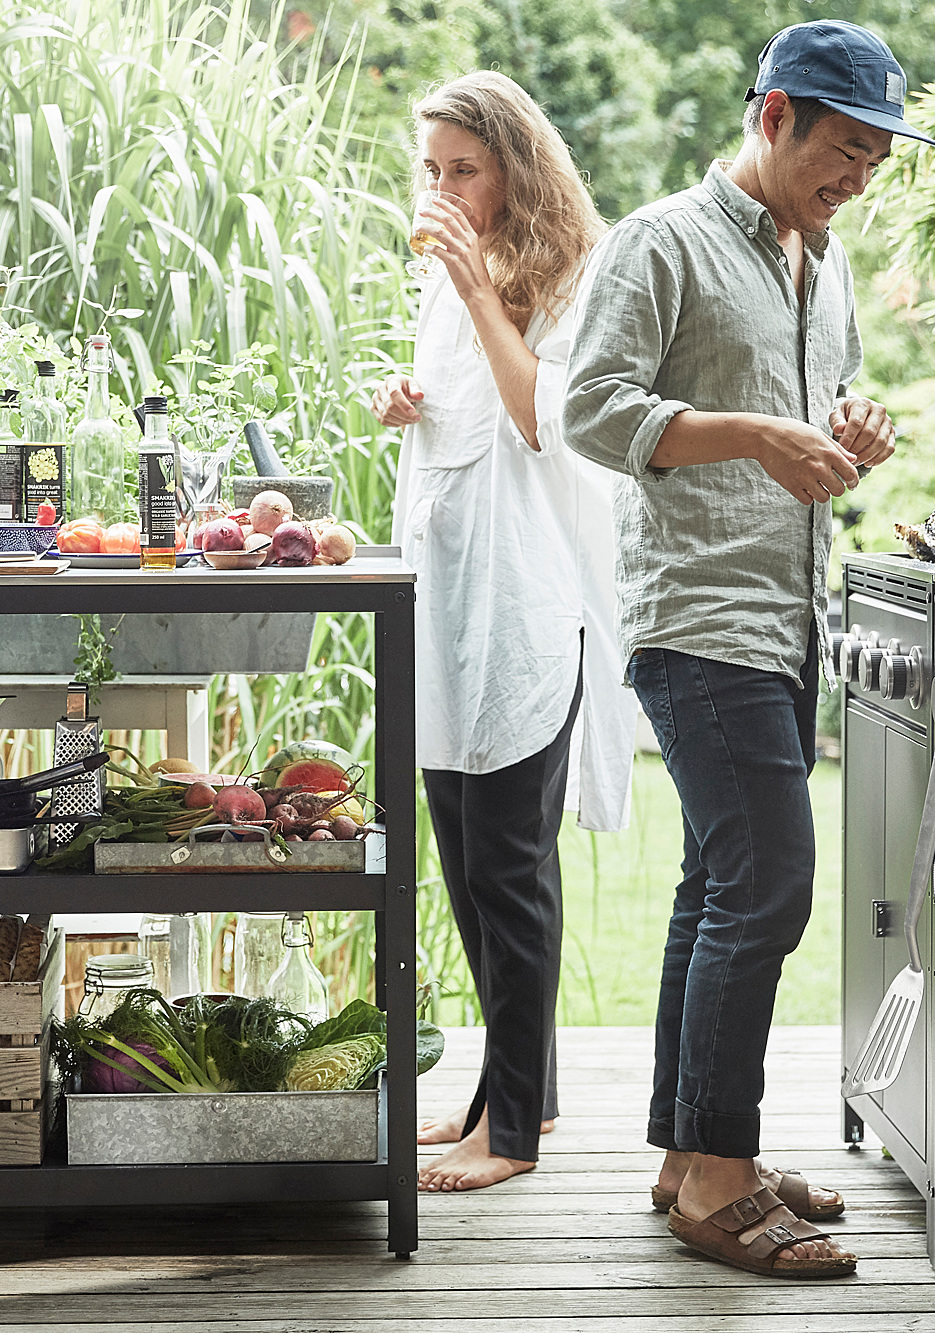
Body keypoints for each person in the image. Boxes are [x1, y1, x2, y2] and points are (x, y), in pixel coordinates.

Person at [564, 20, 933, 1277]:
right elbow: (591, 409)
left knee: (715, 888)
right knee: (769, 883)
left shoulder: (817, 262)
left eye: (875, 160)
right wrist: (756, 438)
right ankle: (720, 1180)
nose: (855, 178)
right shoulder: (658, 242)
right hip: (697, 614)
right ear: (771, 116)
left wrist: (844, 430)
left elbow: (804, 420)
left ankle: (686, 1152)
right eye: (841, 151)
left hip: (784, 618)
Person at [371, 71, 636, 1193]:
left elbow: (540, 418)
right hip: (451, 613)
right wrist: (410, 398)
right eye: (428, 171)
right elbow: (470, 409)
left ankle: (512, 1132)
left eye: (461, 170)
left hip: (528, 614)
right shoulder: (446, 285)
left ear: (513, 170)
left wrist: (478, 290)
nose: (440, 190)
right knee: (468, 863)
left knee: (509, 870)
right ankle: (509, 1092)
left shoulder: (574, 278)